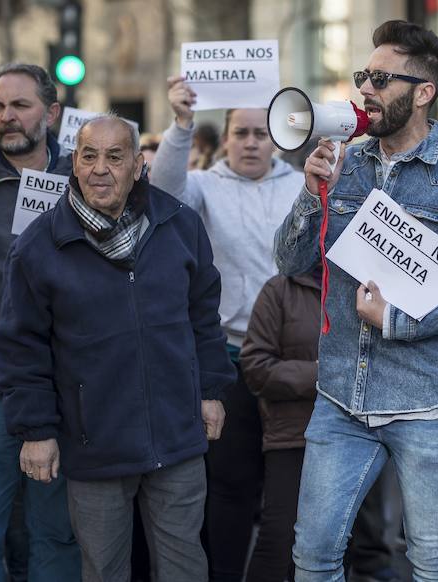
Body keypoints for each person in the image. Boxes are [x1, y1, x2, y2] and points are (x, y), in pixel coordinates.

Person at [274, 19, 438, 581]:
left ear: (423, 92)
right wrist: (312, 194)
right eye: (364, 76)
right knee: (312, 554)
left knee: (429, 560)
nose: (366, 91)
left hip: (428, 402)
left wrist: (400, 320)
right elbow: (289, 262)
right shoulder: (345, 165)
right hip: (341, 395)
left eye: (381, 79)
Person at [0, 115, 235, 582]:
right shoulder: (39, 245)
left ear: (139, 166)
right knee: (104, 570)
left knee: (185, 565)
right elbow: (21, 347)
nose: (100, 168)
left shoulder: (179, 224)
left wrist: (210, 390)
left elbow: (204, 317)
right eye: (89, 156)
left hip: (177, 435)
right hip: (94, 443)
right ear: (75, 165)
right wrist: (36, 430)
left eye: (115, 156)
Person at [150, 79, 306, 581]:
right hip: (228, 357)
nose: (252, 142)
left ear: (278, 139)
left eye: (262, 133)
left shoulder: (302, 185)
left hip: (292, 363)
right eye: (241, 132)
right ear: (225, 140)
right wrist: (180, 125)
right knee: (230, 486)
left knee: (289, 487)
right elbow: (161, 189)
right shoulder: (205, 186)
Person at [0, 62, 80, 582]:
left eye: (20, 105)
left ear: (51, 113)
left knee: (56, 534)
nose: (7, 117)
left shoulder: (84, 178)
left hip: (67, 392)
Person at [240, 273, 320, 582]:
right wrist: (321, 374)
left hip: (351, 436)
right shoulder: (279, 290)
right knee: (279, 539)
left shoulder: (362, 287)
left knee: (337, 544)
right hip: (291, 435)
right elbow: (256, 367)